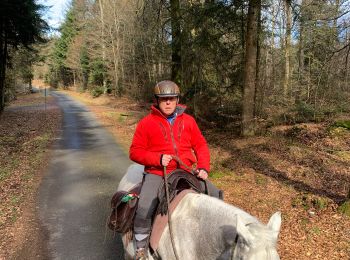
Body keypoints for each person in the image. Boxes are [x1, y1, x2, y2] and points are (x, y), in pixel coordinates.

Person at [129, 80, 221, 260]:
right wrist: (157, 159)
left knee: (216, 195)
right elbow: (135, 151)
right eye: (164, 99)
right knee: (145, 205)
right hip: (158, 172)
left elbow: (200, 144)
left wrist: (203, 166)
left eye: (171, 98)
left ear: (178, 100)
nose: (168, 102)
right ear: (157, 101)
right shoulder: (146, 123)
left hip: (185, 171)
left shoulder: (189, 121)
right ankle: (140, 248)